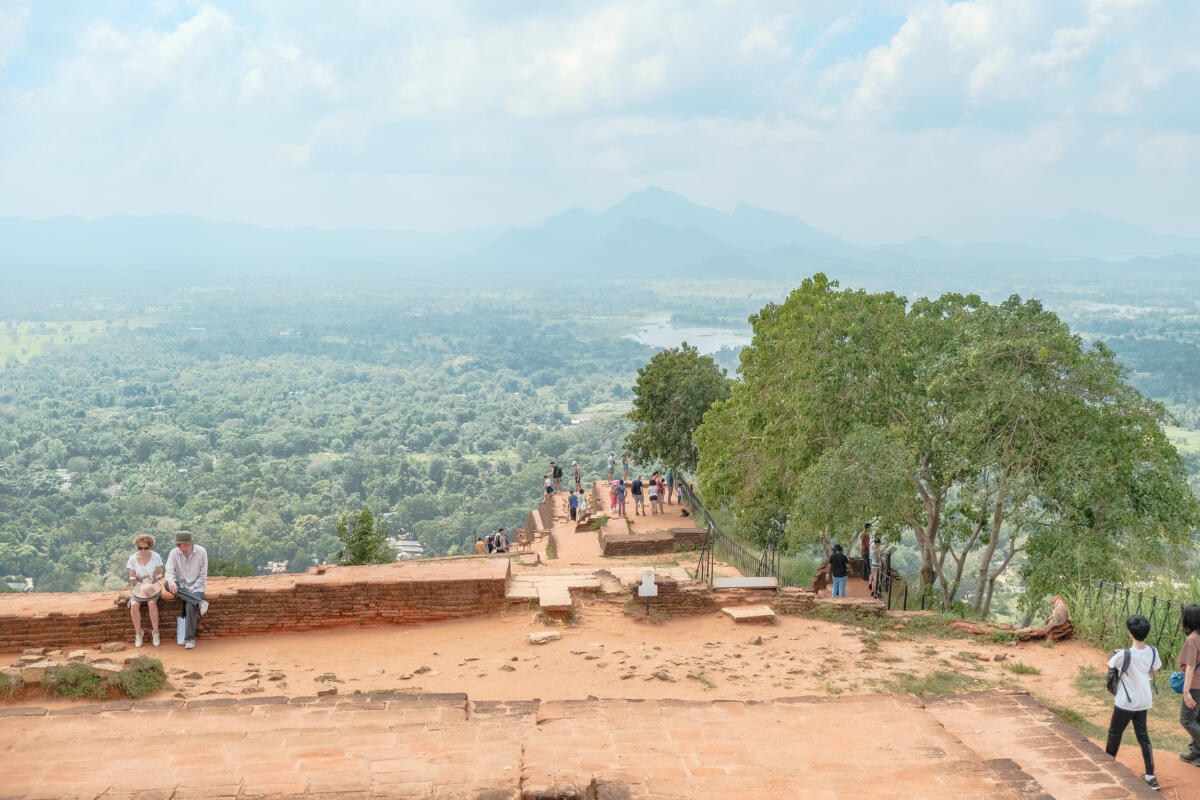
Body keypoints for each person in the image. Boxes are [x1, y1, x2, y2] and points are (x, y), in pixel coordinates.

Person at [1106, 614, 1161, 791]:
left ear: (1130, 633)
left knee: (1115, 733)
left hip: (1125, 702)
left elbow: (1111, 665)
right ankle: (1151, 776)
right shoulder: (1153, 651)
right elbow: (1155, 671)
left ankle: (1107, 766)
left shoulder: (1123, 654)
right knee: (1143, 736)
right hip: (1144, 701)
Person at [164, 531, 208, 650]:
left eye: (179, 544)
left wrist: (191, 590)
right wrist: (171, 580)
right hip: (180, 586)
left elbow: (203, 577)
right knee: (167, 585)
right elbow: (169, 572)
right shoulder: (174, 553)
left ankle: (189, 639)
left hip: (196, 586)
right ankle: (200, 602)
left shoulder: (201, 552)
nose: (177, 547)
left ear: (186, 544)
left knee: (190, 605)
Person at [126, 534, 164, 648]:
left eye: (146, 548)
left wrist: (156, 578)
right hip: (139, 585)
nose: (143, 550)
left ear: (150, 546)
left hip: (152, 585)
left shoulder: (156, 556)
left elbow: (159, 573)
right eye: (140, 548)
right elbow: (132, 576)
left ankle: (155, 632)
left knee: (152, 603)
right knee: (134, 605)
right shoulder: (133, 558)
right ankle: (138, 633)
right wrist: (133, 579)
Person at [1179, 604, 1200, 767]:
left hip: (1195, 685)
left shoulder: (1193, 639)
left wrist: (1186, 691)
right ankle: (1195, 752)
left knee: (1186, 719)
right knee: (1197, 719)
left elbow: (1190, 666)